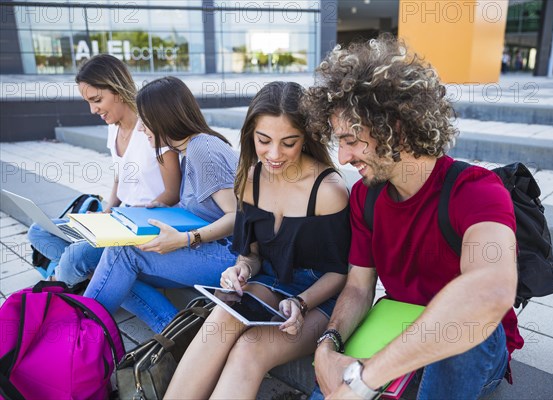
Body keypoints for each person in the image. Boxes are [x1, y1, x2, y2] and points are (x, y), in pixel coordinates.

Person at [302, 34, 523, 399]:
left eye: (352, 139)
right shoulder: (364, 197)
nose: (342, 158)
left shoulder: (475, 190)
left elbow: (490, 290)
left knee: (461, 329)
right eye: (338, 141)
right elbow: (358, 287)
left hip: (474, 348)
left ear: (396, 126)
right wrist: (328, 345)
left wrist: (366, 378)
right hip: (396, 326)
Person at [165, 81, 351, 399]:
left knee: (250, 349)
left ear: (305, 137)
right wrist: (241, 271)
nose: (274, 155)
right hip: (270, 282)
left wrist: (301, 302)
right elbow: (250, 255)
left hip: (318, 299)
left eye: (289, 143)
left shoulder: (329, 191)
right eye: (264, 140)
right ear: (251, 134)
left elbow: (341, 273)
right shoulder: (251, 179)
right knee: (221, 316)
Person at [84, 76, 238, 333]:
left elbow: (236, 217)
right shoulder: (187, 151)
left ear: (163, 117)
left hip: (230, 256)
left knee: (123, 251)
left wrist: (185, 239)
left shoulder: (202, 149)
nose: (141, 129)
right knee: (119, 269)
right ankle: (175, 331)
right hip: (210, 248)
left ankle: (80, 333)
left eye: (145, 120)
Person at [27, 54, 181, 288]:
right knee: (38, 231)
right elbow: (120, 177)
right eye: (88, 102)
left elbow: (173, 193)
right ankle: (93, 274)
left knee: (75, 256)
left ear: (117, 90)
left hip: (144, 225)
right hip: (118, 219)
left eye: (96, 99)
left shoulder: (152, 127)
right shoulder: (114, 128)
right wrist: (107, 212)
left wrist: (127, 217)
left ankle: (58, 282)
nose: (92, 110)